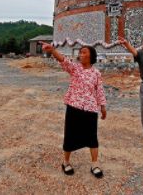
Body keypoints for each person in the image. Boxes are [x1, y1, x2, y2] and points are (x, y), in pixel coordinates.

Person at [40, 42, 107, 178]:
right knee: (70, 135)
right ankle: (66, 162)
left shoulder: (96, 73)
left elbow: (99, 90)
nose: (80, 54)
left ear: (91, 56)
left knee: (92, 137)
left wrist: (103, 107)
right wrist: (52, 50)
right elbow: (63, 60)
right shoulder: (75, 68)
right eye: (80, 52)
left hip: (90, 108)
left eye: (84, 52)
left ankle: (95, 164)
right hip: (73, 107)